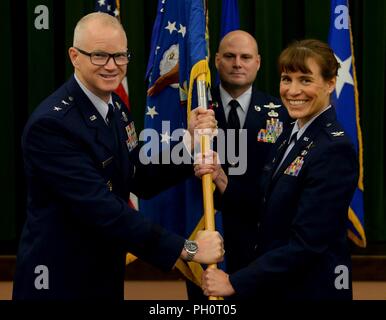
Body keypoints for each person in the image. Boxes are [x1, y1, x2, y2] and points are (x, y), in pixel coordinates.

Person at [12, 12, 223, 300]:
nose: (112, 66)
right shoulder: (52, 125)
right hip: (59, 281)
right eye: (99, 56)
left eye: (120, 56)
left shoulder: (115, 107)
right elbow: (104, 210)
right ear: (74, 56)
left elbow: (135, 174)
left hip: (103, 275)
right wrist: (188, 249)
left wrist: (188, 144)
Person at [198, 39, 358, 300]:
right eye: (287, 79)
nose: (293, 91)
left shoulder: (333, 149)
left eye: (305, 80)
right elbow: (268, 206)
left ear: (330, 84)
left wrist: (236, 282)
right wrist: (221, 177)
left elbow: (307, 244)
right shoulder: (288, 133)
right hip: (278, 286)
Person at [186, 30, 291, 299]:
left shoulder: (281, 113)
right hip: (206, 234)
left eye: (245, 57)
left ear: (258, 62)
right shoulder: (194, 112)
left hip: (259, 242)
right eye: (230, 56)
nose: (237, 64)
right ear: (217, 60)